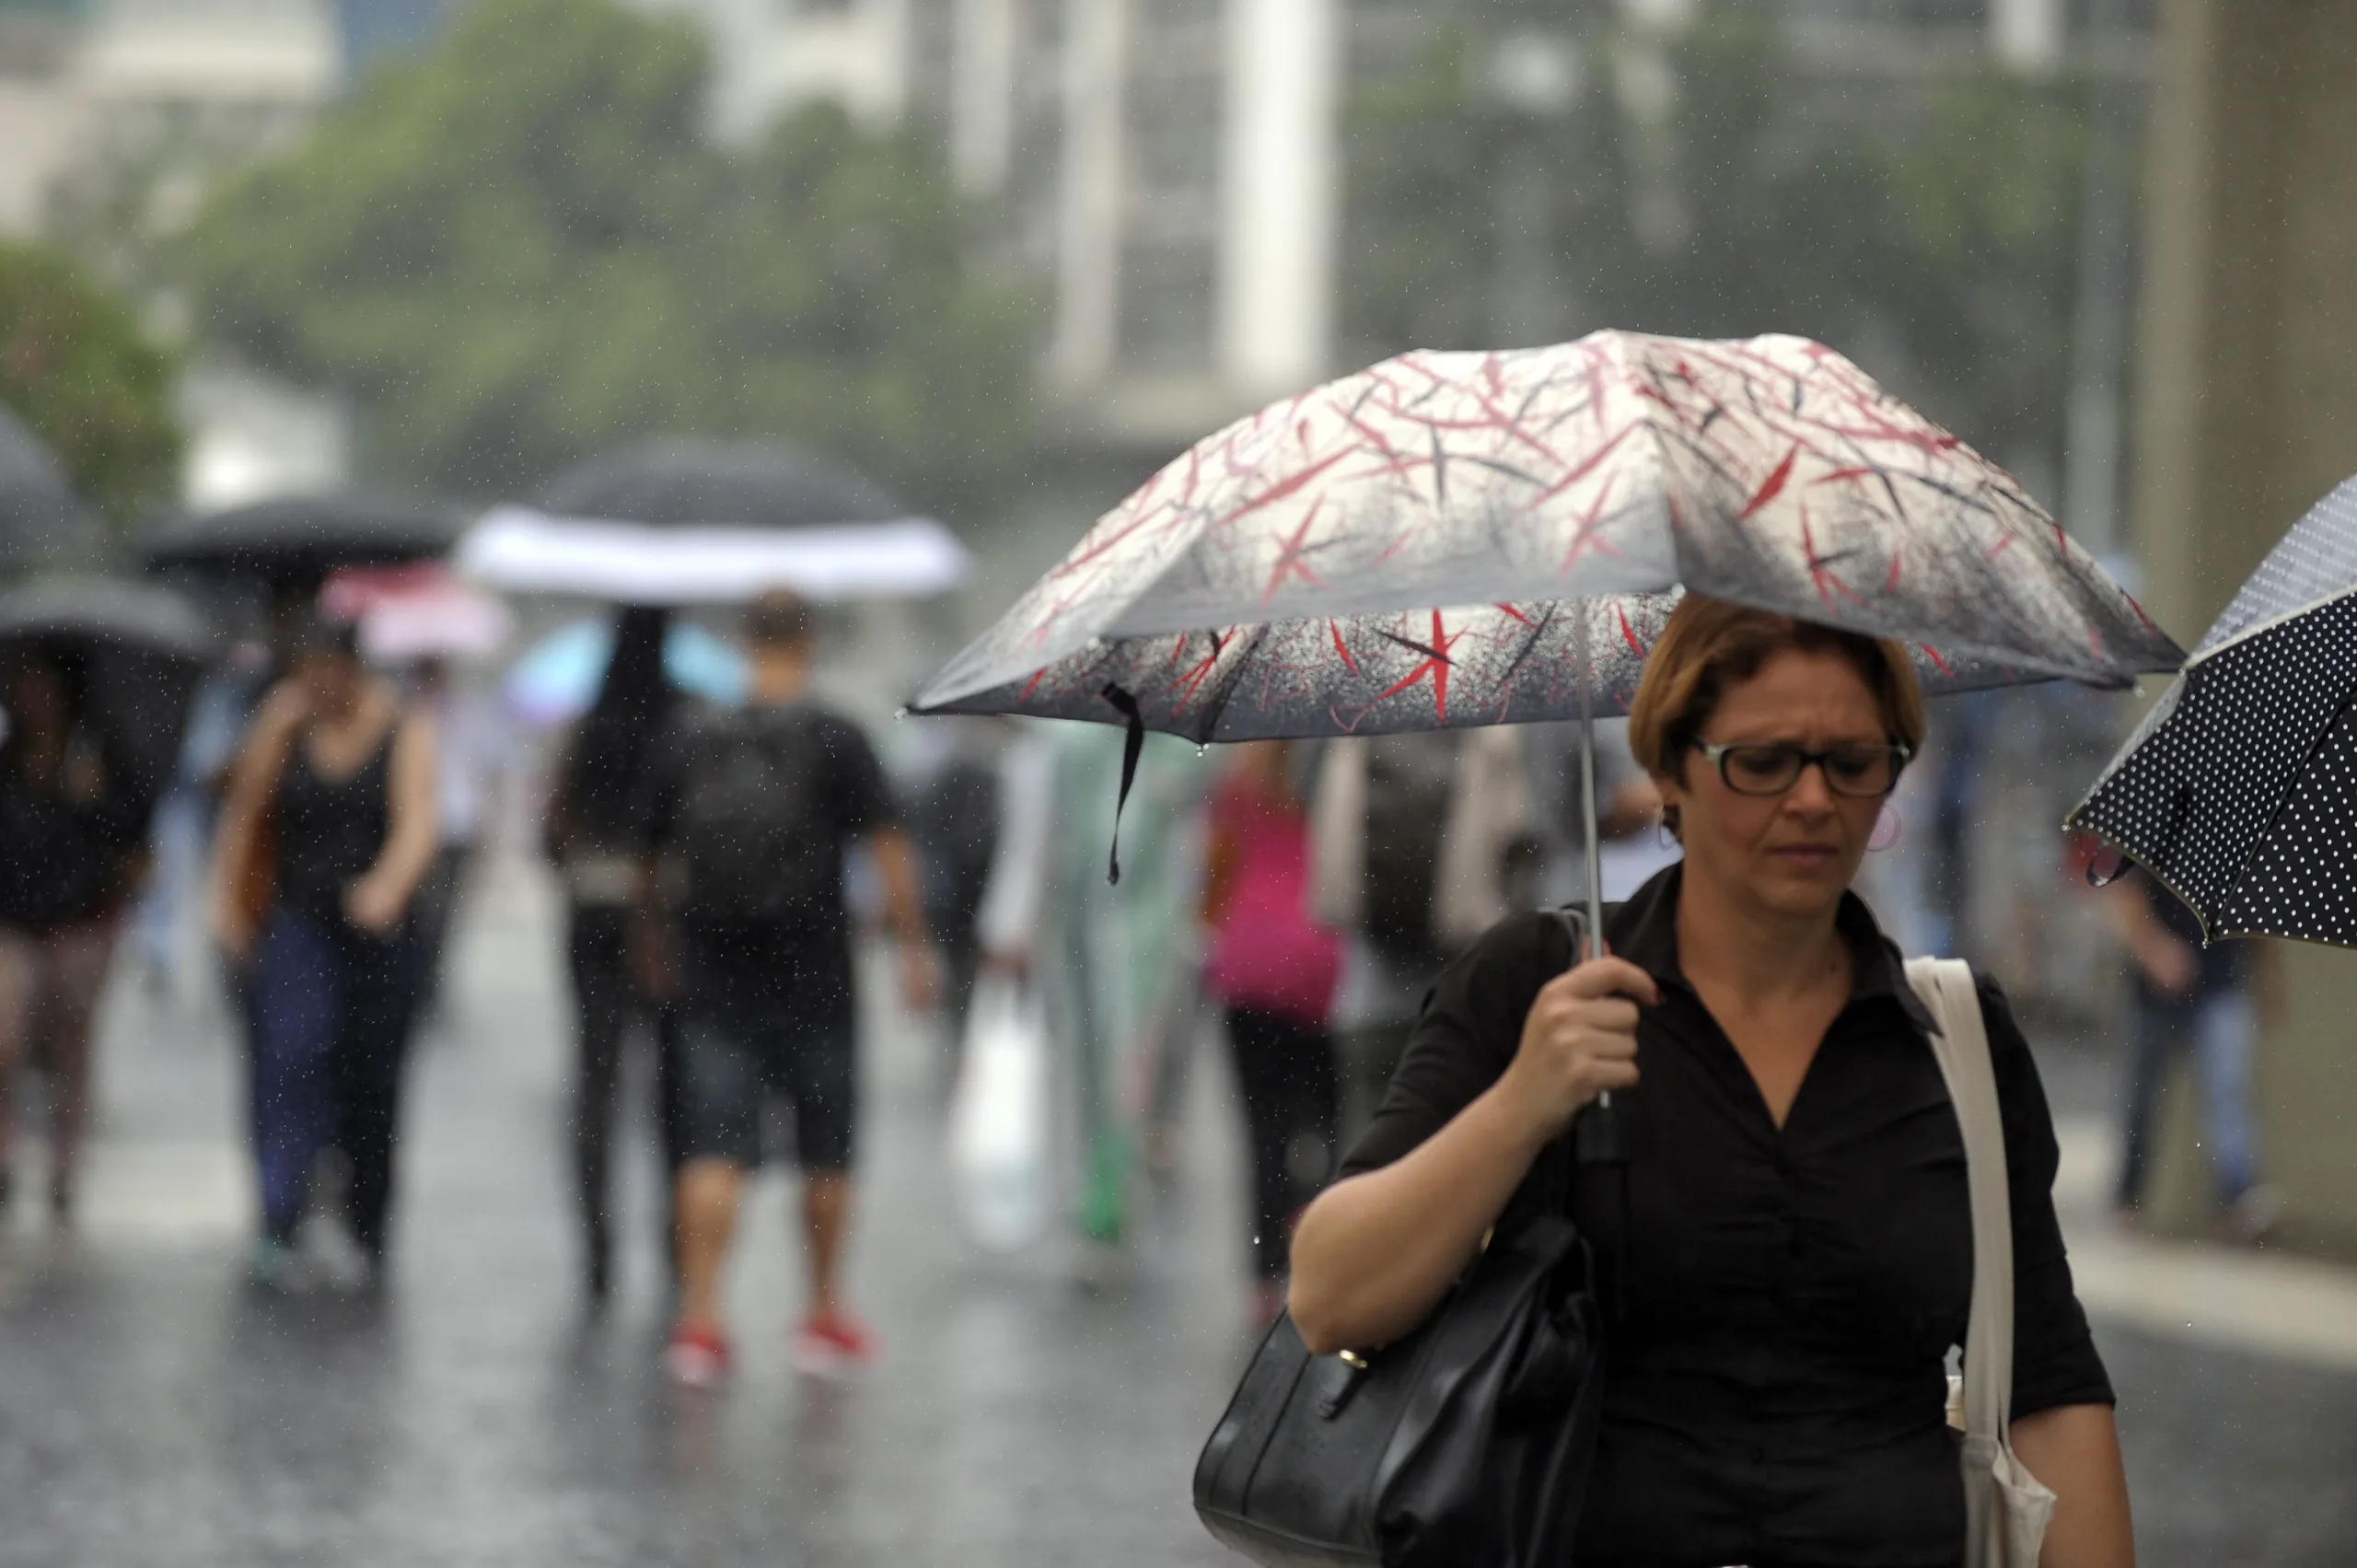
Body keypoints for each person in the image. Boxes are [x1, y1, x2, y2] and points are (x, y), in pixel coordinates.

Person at [1288, 597, 2134, 1568]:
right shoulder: (1537, 983)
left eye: (1853, 761)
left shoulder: (1956, 1038)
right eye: (1763, 760)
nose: (1813, 799)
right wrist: (1519, 1105)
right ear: (1669, 772)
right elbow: (1331, 1292)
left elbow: (2048, 1381)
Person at [633, 589, 936, 1385]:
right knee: (827, 1148)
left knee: (709, 1145)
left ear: (743, 639)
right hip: (816, 969)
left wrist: (655, 943)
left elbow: (647, 853)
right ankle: (823, 1310)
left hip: (713, 967)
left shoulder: (690, 738)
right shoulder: (839, 735)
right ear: (808, 637)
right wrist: (913, 950)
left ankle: (701, 1321)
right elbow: (889, 846)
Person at [211, 617, 438, 1287]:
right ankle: (279, 1211)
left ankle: (368, 1218)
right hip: (298, 921)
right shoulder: (286, 724)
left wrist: (387, 885)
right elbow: (246, 813)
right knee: (289, 1061)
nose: (314, 684)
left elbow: (417, 822)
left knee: (371, 1081)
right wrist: (226, 904)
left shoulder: (403, 728)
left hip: (377, 935)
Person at [544, 607, 684, 1300]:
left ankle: (598, 1248)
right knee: (670, 1087)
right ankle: (676, 1247)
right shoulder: (682, 726)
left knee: (595, 1082)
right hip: (663, 919)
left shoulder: (587, 726)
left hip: (591, 912)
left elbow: (551, 830)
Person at [0, 650, 150, 1222]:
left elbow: (134, 835)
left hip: (81, 919)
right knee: (6, 1033)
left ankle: (66, 1159)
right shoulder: (8, 763)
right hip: (15, 919)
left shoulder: (98, 760)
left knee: (70, 1040)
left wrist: (95, 801)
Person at [1201, 742, 1341, 1326]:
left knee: (1262, 1128)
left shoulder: (1238, 782)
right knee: (1327, 1124)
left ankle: (1264, 1279)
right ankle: (1324, 1248)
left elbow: (1213, 879)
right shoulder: (1333, 772)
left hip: (1250, 961)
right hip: (1322, 961)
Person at [2107, 867, 2279, 1241]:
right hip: (2158, 990)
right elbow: (2125, 899)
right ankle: (2129, 1194)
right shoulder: (2156, 821)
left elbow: (2256, 917)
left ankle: (2238, 1193)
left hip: (2222, 983)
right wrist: (2156, 951)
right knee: (2144, 1095)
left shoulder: (2245, 835)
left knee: (2228, 1087)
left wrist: (2266, 981)